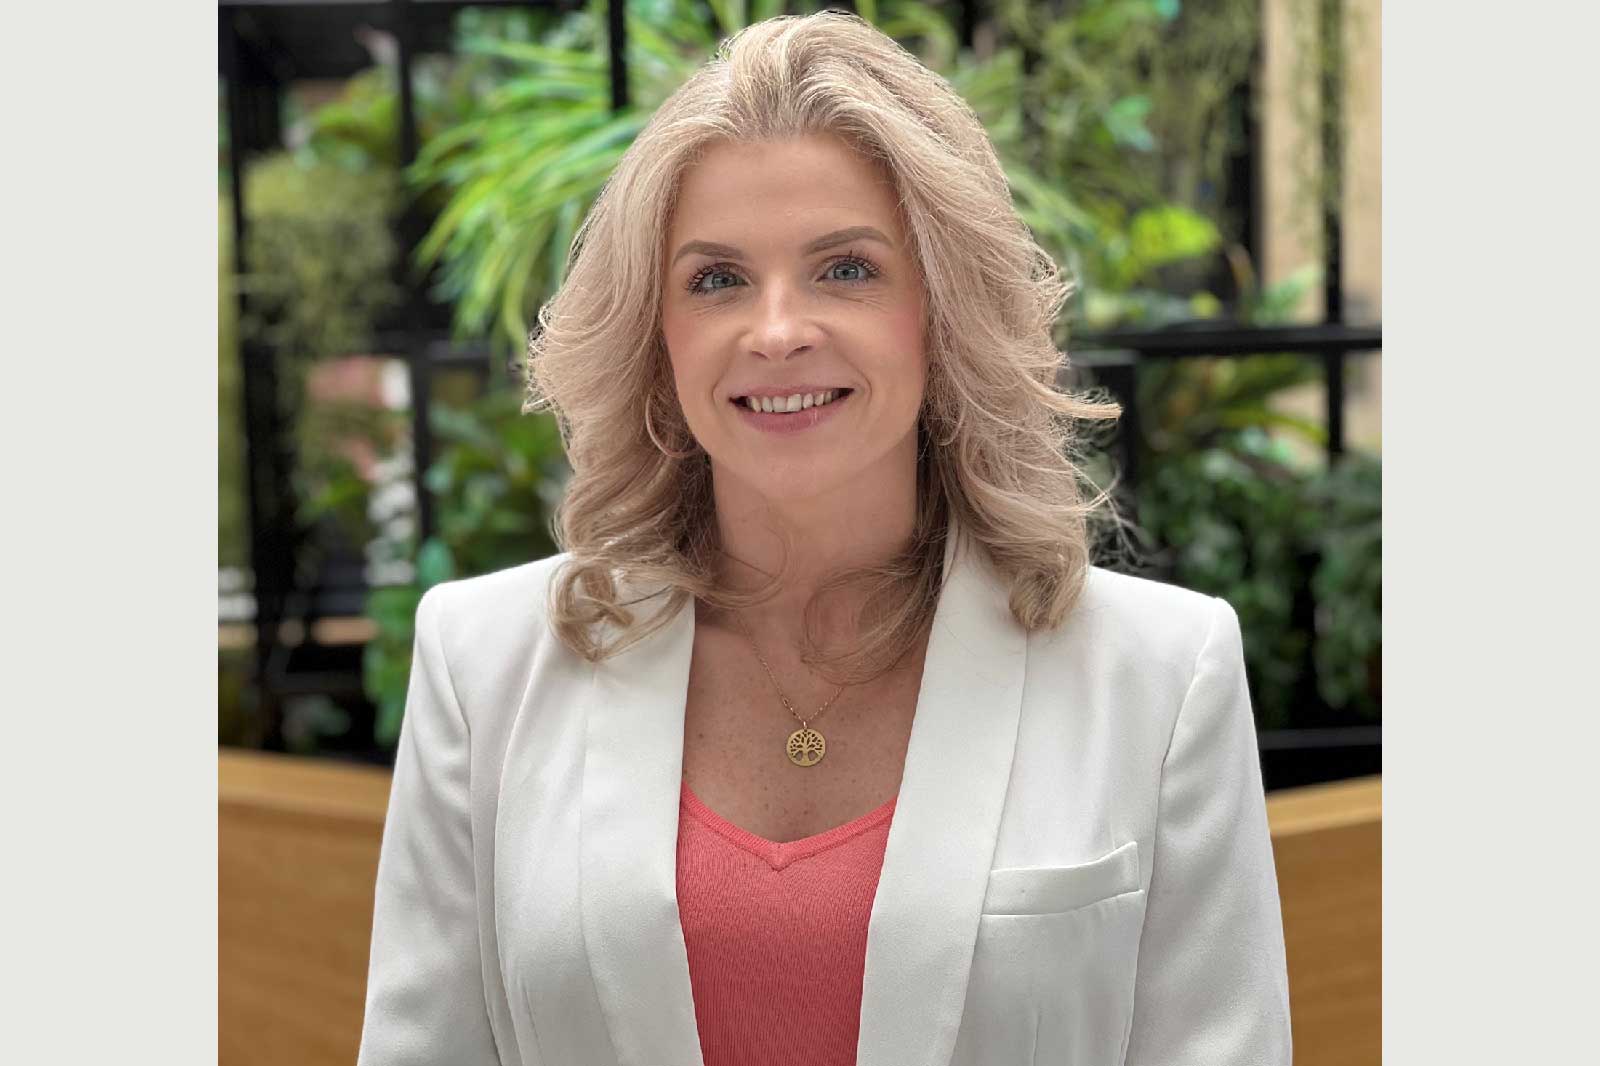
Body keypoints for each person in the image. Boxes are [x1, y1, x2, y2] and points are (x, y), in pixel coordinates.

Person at [356, 12, 1290, 1066]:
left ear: (939, 312)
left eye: (845, 268)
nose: (776, 330)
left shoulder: (1160, 677)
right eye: (715, 280)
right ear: (656, 339)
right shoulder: (482, 665)